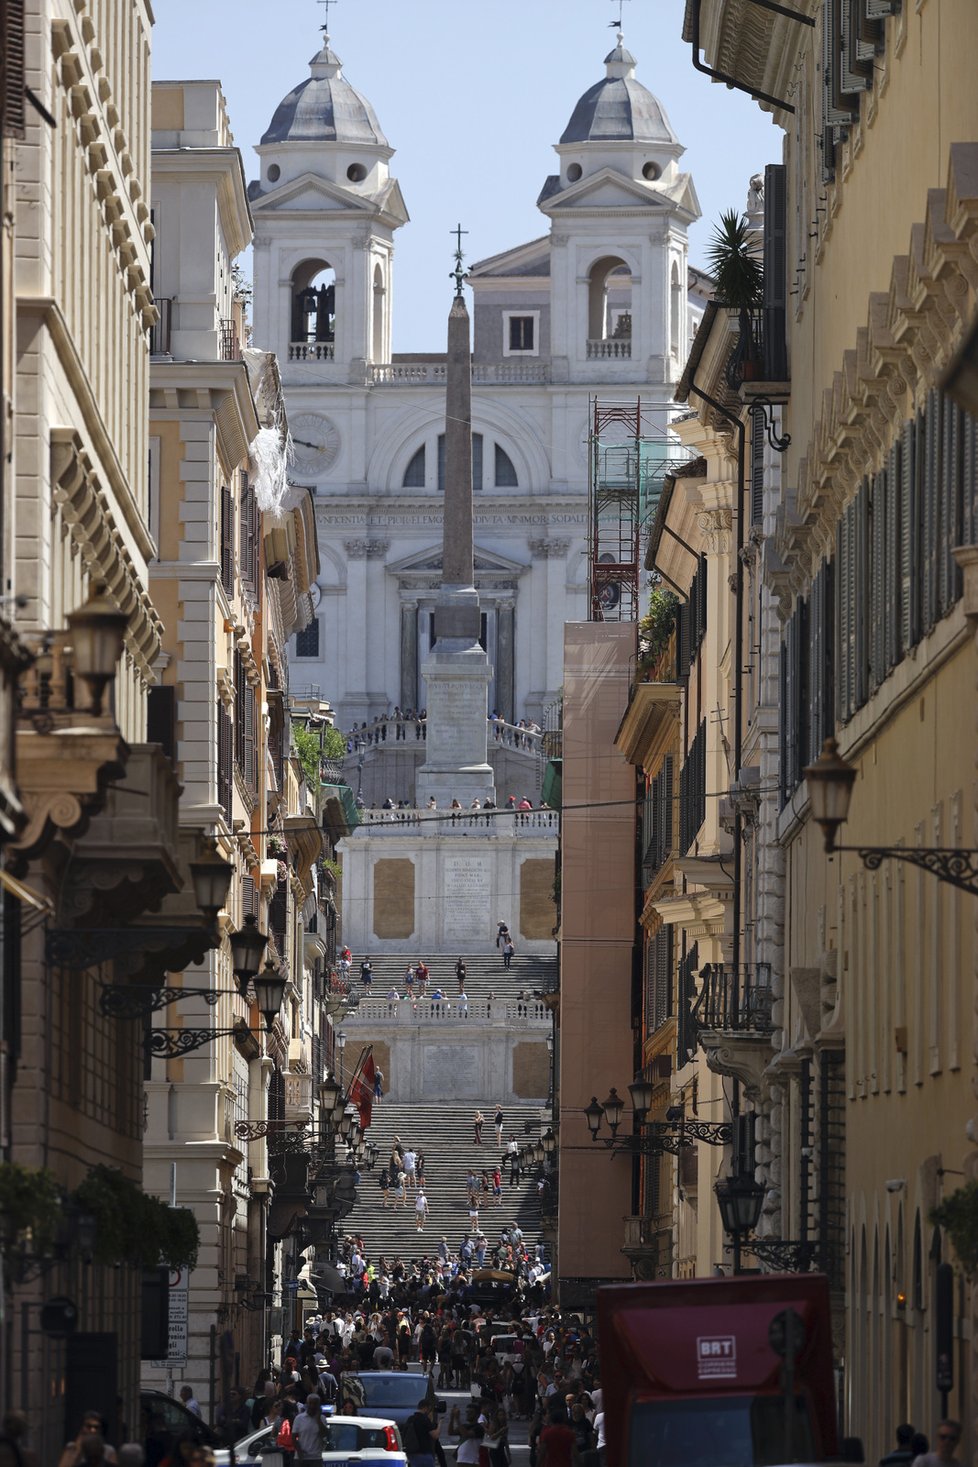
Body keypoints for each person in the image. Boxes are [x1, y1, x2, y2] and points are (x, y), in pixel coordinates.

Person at [292, 1394, 329, 1464]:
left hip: (315, 1458)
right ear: (307, 1404)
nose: (312, 1406)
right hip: (301, 1458)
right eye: (310, 1403)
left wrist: (318, 1419)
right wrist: (299, 1451)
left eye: (315, 1404)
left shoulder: (322, 1419)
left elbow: (324, 1434)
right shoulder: (299, 1419)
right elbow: (293, 1437)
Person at [404, 1399, 439, 1467]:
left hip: (412, 1453)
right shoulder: (425, 1419)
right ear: (426, 1408)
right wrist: (439, 1424)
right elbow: (435, 1435)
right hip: (425, 1453)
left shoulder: (410, 1419)